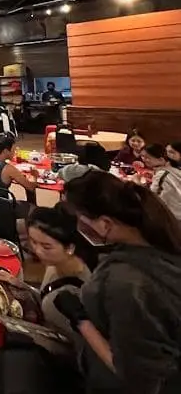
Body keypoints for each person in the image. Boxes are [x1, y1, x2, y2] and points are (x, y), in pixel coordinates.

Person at [56, 169, 181, 394]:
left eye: (78, 218)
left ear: (104, 224)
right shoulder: (161, 239)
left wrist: (80, 319)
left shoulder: (126, 284)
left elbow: (136, 376)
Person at [26, 206, 91, 340]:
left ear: (70, 248)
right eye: (33, 242)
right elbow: (46, 294)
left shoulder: (81, 289)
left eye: (46, 246)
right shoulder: (54, 264)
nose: (37, 251)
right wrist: (22, 286)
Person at [0, 135, 36, 216]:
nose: (15, 152)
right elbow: (31, 187)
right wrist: (34, 175)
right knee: (33, 208)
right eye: (13, 149)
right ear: (5, 151)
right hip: (2, 206)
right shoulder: (8, 168)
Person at [142, 144, 181, 220]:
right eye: (143, 156)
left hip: (174, 216)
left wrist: (137, 183)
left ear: (161, 160)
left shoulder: (162, 174)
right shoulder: (175, 169)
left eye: (147, 157)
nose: (144, 159)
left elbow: (151, 196)